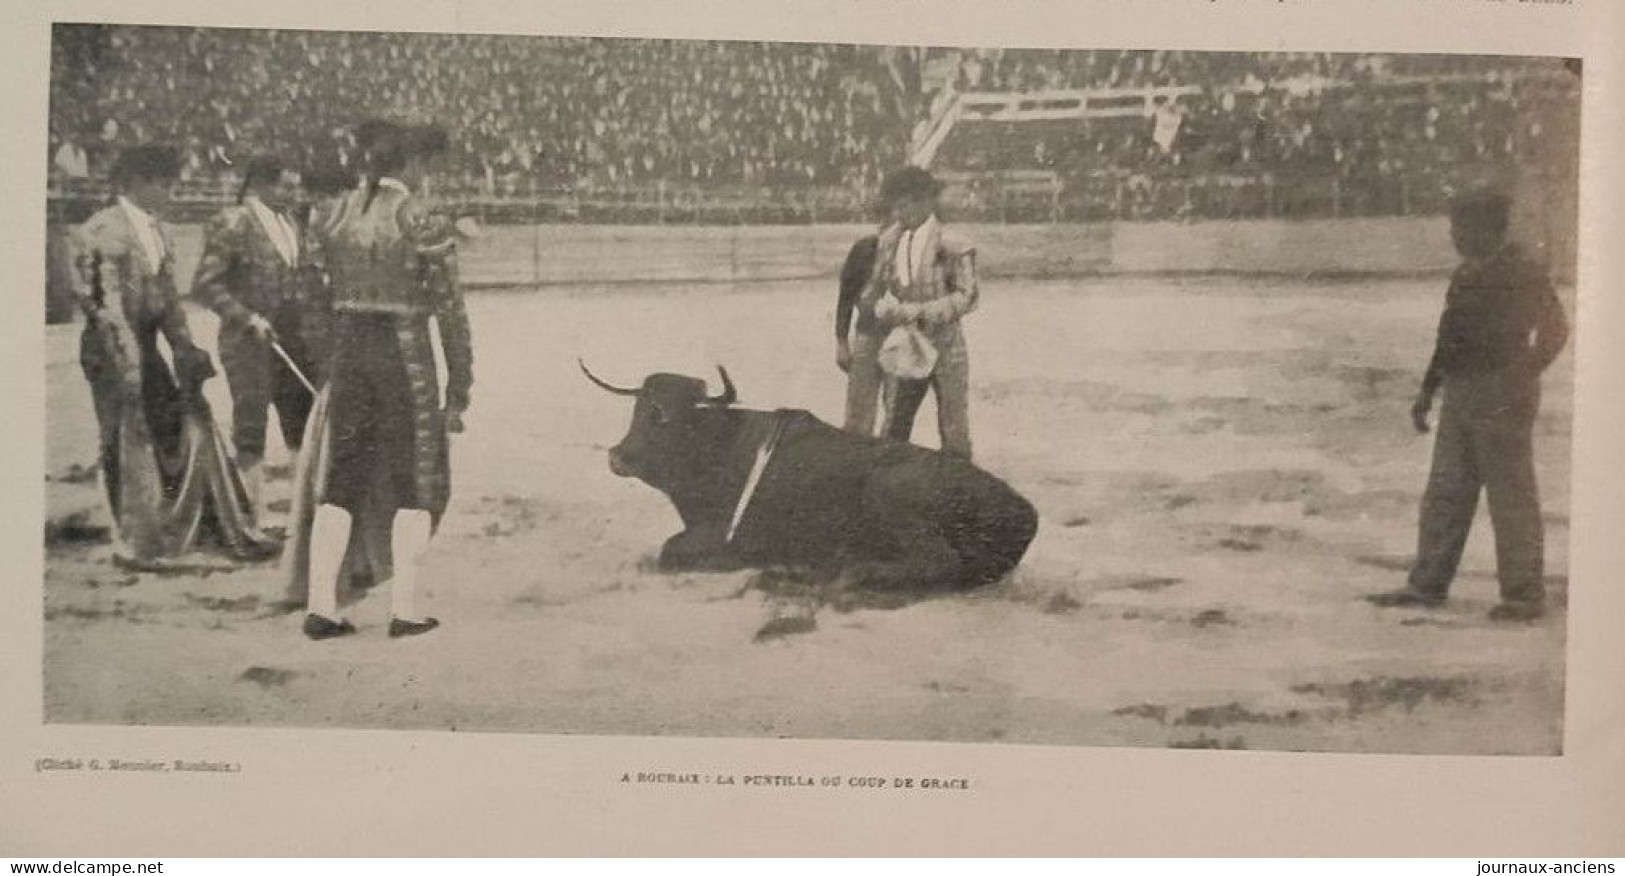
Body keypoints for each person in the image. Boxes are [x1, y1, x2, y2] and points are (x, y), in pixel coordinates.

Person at [285, 121, 474, 640]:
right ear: (413, 165)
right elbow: (451, 312)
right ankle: (404, 609)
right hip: (402, 356)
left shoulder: (333, 213)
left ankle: (322, 606)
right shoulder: (422, 217)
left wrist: (328, 360)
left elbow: (308, 297)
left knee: (342, 476)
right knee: (414, 477)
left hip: (349, 353)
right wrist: (460, 387)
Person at [1368, 187, 1568, 622]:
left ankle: (1523, 594)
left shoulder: (1521, 272)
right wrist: (1427, 391)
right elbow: (1448, 339)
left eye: (1461, 227)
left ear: (1488, 228)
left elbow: (1556, 328)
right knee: (1446, 492)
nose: (1454, 235)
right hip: (1461, 392)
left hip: (1503, 392)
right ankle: (1427, 584)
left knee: (1509, 495)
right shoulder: (1465, 276)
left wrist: (1524, 370)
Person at [68, 144, 273, 568]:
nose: (170, 190)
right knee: (123, 435)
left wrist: (183, 348)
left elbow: (168, 303)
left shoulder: (156, 230)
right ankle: (130, 538)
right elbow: (104, 306)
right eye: (163, 182)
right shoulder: (101, 229)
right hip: (110, 344)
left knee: (170, 424)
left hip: (145, 340)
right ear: (137, 183)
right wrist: (129, 360)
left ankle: (162, 526)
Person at [191, 155, 317, 520]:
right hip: (247, 340)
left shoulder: (290, 222)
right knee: (251, 422)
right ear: (261, 184)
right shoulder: (233, 222)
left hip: (291, 337)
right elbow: (204, 285)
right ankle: (249, 514)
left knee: (300, 418)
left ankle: (301, 512)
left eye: (296, 186)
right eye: (287, 186)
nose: (295, 194)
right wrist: (246, 317)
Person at [857, 166, 980, 459]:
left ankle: (959, 499)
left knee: (954, 431)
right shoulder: (888, 242)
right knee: (894, 428)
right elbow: (872, 290)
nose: (899, 213)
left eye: (905, 205)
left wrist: (916, 311)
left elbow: (968, 297)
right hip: (905, 347)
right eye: (895, 206)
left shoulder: (954, 243)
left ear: (926, 201)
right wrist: (877, 307)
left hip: (947, 348)